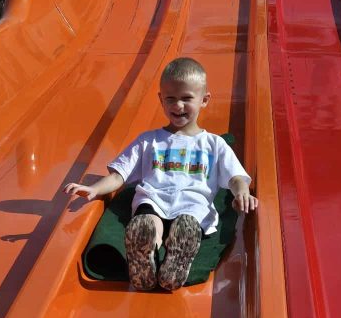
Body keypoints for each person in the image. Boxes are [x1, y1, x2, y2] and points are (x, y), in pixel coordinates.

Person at [64, 57, 258, 291]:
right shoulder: (148, 140)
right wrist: (93, 189)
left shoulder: (214, 144)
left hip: (192, 204)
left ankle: (176, 261)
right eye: (170, 99)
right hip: (153, 198)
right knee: (147, 222)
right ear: (161, 100)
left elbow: (235, 177)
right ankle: (146, 257)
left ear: (204, 100)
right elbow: (118, 176)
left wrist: (242, 192)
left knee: (187, 223)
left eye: (186, 98)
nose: (178, 105)